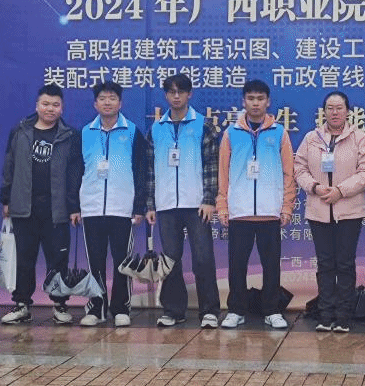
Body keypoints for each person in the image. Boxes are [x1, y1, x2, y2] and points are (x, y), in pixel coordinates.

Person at [0, 84, 83, 325]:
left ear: (62, 108)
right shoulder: (20, 131)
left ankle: (60, 305)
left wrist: (74, 206)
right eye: (45, 104)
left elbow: (75, 173)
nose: (50, 109)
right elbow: (9, 166)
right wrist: (6, 199)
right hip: (24, 206)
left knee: (58, 260)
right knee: (24, 259)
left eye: (55, 105)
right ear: (37, 105)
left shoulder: (70, 135)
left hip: (56, 209)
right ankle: (22, 305)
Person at [216, 79, 296, 330]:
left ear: (268, 102)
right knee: (237, 265)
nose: (255, 103)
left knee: (271, 266)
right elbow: (223, 173)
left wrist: (286, 206)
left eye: (260, 98)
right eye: (251, 98)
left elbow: (289, 173)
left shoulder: (279, 133)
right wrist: (222, 206)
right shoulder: (231, 133)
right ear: (243, 101)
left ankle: (272, 310)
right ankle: (236, 310)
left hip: (270, 212)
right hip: (239, 212)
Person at [145, 74, 222, 329]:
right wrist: (150, 204)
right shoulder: (156, 128)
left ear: (190, 94)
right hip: (166, 204)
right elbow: (150, 170)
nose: (176, 96)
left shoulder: (203, 125)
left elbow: (212, 165)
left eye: (181, 91)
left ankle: (209, 311)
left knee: (203, 258)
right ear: (166, 95)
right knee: (170, 260)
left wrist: (209, 199)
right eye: (171, 92)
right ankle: (174, 310)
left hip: (197, 204)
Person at [294, 91, 365, 334]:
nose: (335, 112)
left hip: (349, 212)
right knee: (325, 264)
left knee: (345, 264)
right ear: (324, 111)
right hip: (319, 211)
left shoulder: (359, 138)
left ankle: (343, 317)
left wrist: (341, 191)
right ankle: (326, 315)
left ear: (348, 111)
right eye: (330, 108)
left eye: (339, 108)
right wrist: (315, 187)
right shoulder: (311, 138)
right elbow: (299, 168)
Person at [79, 81, 150, 327]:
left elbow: (141, 171)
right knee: (95, 262)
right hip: (91, 207)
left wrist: (138, 207)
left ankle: (121, 308)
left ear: (120, 103)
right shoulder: (85, 132)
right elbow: (75, 170)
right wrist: (75, 206)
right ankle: (96, 309)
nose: (107, 102)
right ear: (95, 104)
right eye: (102, 98)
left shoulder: (132, 131)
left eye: (112, 98)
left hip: (122, 209)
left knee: (123, 261)